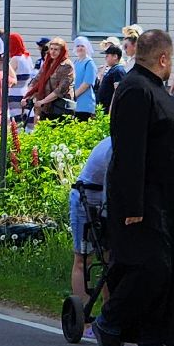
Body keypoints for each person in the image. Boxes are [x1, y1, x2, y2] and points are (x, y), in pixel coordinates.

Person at [96, 29, 174, 346]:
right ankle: (110, 322)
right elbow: (129, 152)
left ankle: (153, 341)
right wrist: (133, 204)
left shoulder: (151, 88)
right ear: (164, 58)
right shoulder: (137, 89)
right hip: (148, 197)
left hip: (168, 195)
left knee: (168, 269)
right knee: (153, 265)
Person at [67, 136, 114, 320]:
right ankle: (83, 316)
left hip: (103, 198)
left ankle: (108, 315)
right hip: (85, 197)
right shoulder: (113, 147)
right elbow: (111, 186)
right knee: (83, 258)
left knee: (109, 259)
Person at [28, 39, 74, 122]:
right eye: (51, 49)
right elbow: (36, 80)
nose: (53, 52)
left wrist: (43, 101)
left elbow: (60, 89)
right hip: (45, 107)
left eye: (56, 49)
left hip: (60, 108)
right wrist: (28, 95)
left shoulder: (67, 65)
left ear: (62, 51)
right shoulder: (48, 63)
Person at [6, 33, 35, 126]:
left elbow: (9, 75)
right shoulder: (27, 57)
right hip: (25, 91)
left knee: (16, 120)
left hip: (14, 92)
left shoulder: (15, 59)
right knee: (26, 119)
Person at [94, 41, 128, 113]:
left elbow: (118, 92)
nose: (105, 58)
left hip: (109, 110)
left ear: (115, 56)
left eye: (107, 56)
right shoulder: (112, 69)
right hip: (102, 110)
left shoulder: (118, 70)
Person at [70, 37, 100, 119]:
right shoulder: (75, 62)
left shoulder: (89, 63)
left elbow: (87, 84)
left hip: (85, 104)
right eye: (78, 46)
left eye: (82, 46)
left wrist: (73, 96)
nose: (80, 48)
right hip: (75, 104)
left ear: (87, 47)